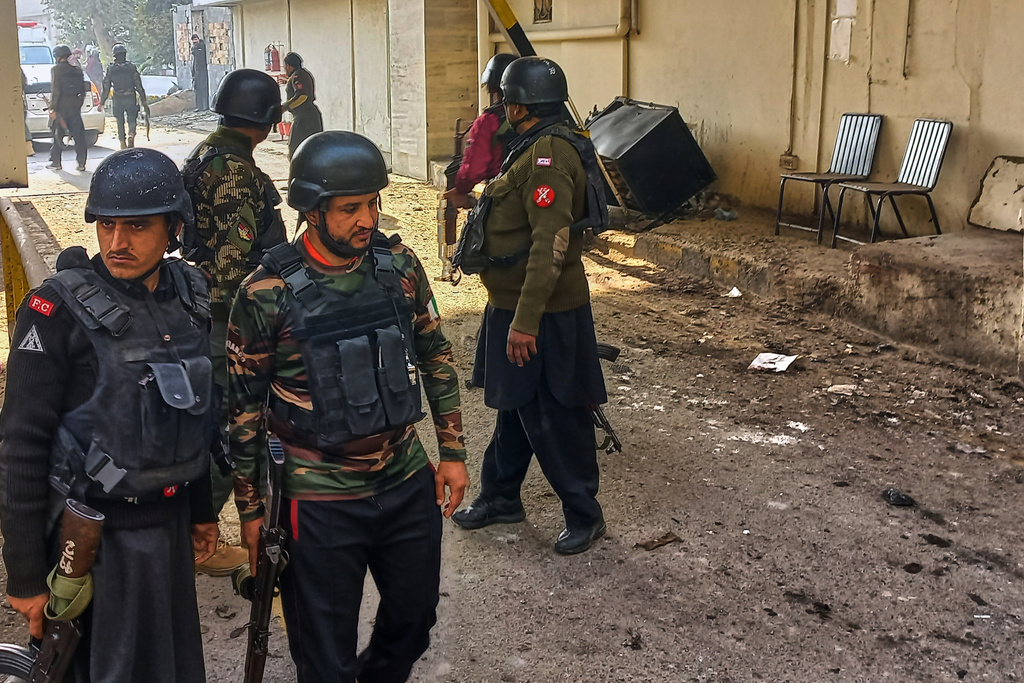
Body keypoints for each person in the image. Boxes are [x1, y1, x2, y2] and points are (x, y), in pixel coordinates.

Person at [227, 130, 469, 683]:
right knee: (323, 650)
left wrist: (452, 452)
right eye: (350, 208)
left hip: (403, 477)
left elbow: (434, 354)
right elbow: (241, 411)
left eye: (373, 204)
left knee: (413, 619)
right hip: (317, 495)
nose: (368, 219)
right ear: (312, 211)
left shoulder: (399, 265)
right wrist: (250, 512)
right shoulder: (265, 292)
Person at [0, 148, 219, 682]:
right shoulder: (55, 311)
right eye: (106, 225)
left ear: (174, 227)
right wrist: (26, 574)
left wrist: (201, 508)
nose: (117, 242)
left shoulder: (189, 296)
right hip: (92, 543)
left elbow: (191, 416)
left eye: (137, 227)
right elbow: (20, 444)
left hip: (165, 533)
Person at [451, 56, 610, 555]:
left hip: (542, 312)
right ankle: (501, 496)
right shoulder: (529, 145)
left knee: (556, 414)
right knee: (514, 406)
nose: (500, 107)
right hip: (513, 304)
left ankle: (585, 514)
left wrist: (525, 323)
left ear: (518, 104)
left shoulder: (548, 156)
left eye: (504, 99)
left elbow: (551, 244)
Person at [181, 67, 286, 576]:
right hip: (231, 322)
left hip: (210, 314)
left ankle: (260, 529)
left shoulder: (206, 151)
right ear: (266, 122)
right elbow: (232, 267)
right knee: (234, 430)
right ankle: (197, 538)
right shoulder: (236, 171)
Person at [444, 52, 517, 210]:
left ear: (492, 88)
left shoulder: (489, 120)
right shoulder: (537, 119)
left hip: (503, 197)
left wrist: (462, 189)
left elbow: (474, 168)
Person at [46, 44, 88, 172]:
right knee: (79, 136)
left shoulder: (55, 70)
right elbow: (83, 90)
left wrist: (52, 108)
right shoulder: (77, 70)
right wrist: (78, 104)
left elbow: (56, 90)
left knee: (58, 134)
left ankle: (56, 162)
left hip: (61, 107)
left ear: (57, 57)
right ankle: (81, 163)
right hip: (74, 107)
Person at [99, 43, 149, 149]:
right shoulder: (131, 68)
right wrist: (144, 100)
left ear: (115, 56)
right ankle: (131, 133)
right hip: (130, 96)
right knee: (132, 118)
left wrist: (102, 102)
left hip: (118, 98)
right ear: (124, 54)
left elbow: (106, 86)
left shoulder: (111, 69)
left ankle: (122, 141)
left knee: (119, 121)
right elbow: (138, 85)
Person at [280, 52, 323, 159]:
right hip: (311, 116)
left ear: (288, 66)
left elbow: (302, 96)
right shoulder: (302, 74)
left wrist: (284, 108)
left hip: (304, 118)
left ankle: (298, 173)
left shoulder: (297, 76)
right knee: (313, 149)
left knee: (296, 150)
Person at [191, 34, 210, 112]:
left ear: (198, 39)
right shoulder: (194, 48)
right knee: (197, 90)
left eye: (196, 39)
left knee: (203, 89)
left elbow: (200, 57)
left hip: (202, 71)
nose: (195, 41)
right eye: (193, 40)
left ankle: (205, 106)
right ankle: (199, 106)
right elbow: (195, 62)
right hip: (196, 72)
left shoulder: (202, 47)